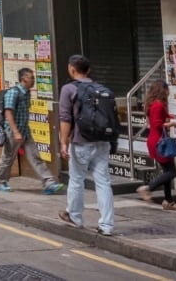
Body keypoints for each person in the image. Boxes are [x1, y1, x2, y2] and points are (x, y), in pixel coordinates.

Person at [57, 55, 114, 235]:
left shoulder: (68, 89)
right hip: (103, 141)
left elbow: (65, 118)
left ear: (72, 69)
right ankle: (107, 225)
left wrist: (63, 143)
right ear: (88, 70)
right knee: (104, 182)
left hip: (81, 142)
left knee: (76, 179)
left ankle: (74, 215)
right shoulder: (102, 89)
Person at [0, 68, 63, 195]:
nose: (33, 80)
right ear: (23, 79)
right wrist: (15, 132)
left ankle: (49, 182)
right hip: (12, 131)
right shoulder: (13, 93)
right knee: (8, 157)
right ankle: (0, 182)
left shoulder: (27, 93)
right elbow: (8, 112)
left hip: (25, 131)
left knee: (35, 156)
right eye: (31, 77)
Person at [138, 80, 176, 210]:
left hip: (156, 141)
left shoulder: (154, 104)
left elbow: (156, 119)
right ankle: (147, 188)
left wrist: (169, 116)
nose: (168, 92)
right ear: (162, 90)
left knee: (167, 171)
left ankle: (168, 201)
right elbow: (158, 124)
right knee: (172, 172)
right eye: (167, 89)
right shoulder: (158, 105)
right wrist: (174, 124)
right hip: (160, 142)